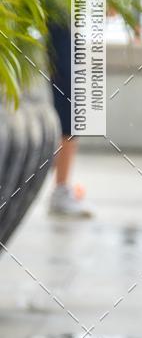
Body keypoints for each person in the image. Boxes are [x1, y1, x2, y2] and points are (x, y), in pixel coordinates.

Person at [47, 20, 93, 217]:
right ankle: (61, 189)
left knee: (70, 96)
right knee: (69, 95)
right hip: (54, 11)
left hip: (60, 15)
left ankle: (62, 188)